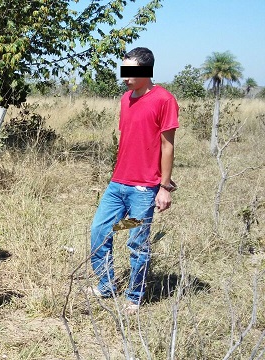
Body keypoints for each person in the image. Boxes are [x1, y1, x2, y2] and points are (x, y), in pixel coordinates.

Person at [88, 47, 179, 314]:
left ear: (146, 70)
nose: (125, 77)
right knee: (100, 231)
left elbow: (167, 146)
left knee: (136, 241)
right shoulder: (125, 98)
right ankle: (107, 285)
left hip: (143, 189)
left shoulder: (164, 100)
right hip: (118, 184)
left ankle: (134, 296)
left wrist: (164, 186)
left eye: (131, 71)